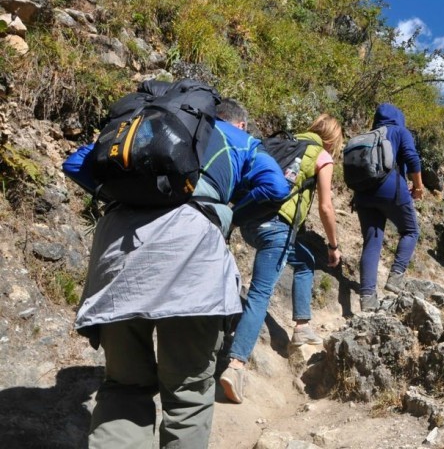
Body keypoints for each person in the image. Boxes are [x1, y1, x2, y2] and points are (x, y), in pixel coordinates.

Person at [63, 96, 289, 448]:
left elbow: (76, 163)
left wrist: (127, 200)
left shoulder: (139, 126)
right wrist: (225, 214)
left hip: (117, 251)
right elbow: (276, 187)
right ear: (238, 122)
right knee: (188, 392)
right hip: (192, 255)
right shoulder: (239, 139)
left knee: (124, 387)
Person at [220, 113, 344, 404]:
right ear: (333, 140)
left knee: (303, 261)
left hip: (249, 223)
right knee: (261, 292)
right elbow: (326, 207)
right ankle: (236, 365)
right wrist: (333, 245)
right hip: (278, 228)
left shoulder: (281, 143)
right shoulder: (322, 156)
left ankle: (301, 327)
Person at [352, 103, 425, 312]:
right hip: (390, 187)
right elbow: (412, 158)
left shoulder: (366, 136)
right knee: (410, 230)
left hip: (362, 195)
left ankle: (367, 297)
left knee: (372, 242)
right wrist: (418, 187)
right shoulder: (400, 131)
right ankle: (396, 276)